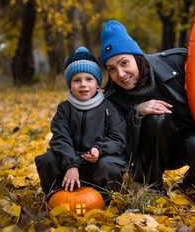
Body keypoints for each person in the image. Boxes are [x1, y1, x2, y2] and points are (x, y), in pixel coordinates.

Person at [100, 20, 195, 193]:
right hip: (150, 153)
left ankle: (194, 181)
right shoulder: (114, 99)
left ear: (137, 57)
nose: (120, 74)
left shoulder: (175, 62)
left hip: (191, 143)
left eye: (124, 63)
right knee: (156, 118)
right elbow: (115, 139)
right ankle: (153, 188)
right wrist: (137, 112)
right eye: (111, 69)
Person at [35, 47, 127, 198]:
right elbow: (60, 138)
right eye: (77, 80)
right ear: (70, 85)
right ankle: (56, 197)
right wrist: (71, 164)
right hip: (68, 162)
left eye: (89, 79)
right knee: (47, 159)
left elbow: (117, 137)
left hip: (96, 162)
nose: (83, 84)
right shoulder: (64, 109)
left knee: (110, 165)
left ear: (97, 83)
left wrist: (99, 149)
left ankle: (106, 199)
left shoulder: (108, 108)